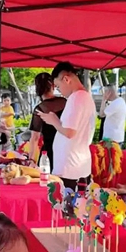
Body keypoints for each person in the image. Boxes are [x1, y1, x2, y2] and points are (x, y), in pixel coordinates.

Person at [37, 62, 97, 191]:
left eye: (58, 86)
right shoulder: (85, 97)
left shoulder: (76, 98)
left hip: (70, 168)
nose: (60, 92)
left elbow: (70, 132)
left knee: (66, 201)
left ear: (66, 79)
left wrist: (54, 121)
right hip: (77, 165)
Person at [28, 72, 67, 170]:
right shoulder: (65, 102)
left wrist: (31, 160)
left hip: (49, 153)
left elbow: (35, 138)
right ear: (53, 86)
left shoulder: (40, 109)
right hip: (67, 150)